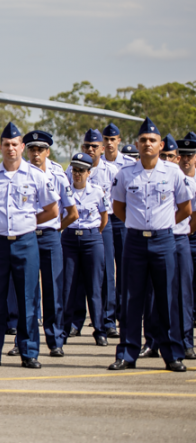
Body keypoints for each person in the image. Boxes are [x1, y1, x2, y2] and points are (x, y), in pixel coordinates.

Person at [0, 122, 58, 369]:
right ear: (1, 147)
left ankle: (29, 352)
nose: (11, 149)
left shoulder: (36, 176)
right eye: (6, 144)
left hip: (26, 242)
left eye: (15, 144)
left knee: (28, 298)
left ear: (22, 147)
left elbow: (52, 209)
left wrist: (29, 221)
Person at [109, 118, 192, 372]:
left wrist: (164, 224)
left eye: (152, 140)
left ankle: (172, 354)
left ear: (161, 145)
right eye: (143, 140)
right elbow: (118, 207)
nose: (147, 144)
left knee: (168, 299)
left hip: (164, 241)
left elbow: (186, 207)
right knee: (132, 299)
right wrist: (137, 225)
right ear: (137, 143)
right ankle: (127, 353)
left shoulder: (173, 172)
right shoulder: (125, 173)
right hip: (134, 241)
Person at [16, 130, 77, 358]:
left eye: (40, 149)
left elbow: (72, 212)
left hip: (50, 236)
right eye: (32, 149)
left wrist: (57, 228)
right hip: (28, 236)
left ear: (48, 151)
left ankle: (55, 340)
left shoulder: (58, 176)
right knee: (26, 292)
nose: (35, 154)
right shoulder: (20, 174)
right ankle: (23, 340)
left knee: (53, 291)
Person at [66, 128, 120, 340]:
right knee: (77, 276)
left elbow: (115, 202)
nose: (90, 149)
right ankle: (76, 322)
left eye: (94, 146)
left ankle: (107, 322)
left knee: (105, 274)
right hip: (78, 228)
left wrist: (96, 230)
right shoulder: (71, 170)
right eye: (87, 145)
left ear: (102, 148)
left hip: (102, 225)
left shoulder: (112, 171)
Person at [60, 152, 109, 348]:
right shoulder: (65, 190)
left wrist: (93, 234)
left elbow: (104, 217)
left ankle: (100, 330)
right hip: (70, 238)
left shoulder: (97, 192)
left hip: (91, 238)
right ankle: (64, 330)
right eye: (74, 170)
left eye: (81, 171)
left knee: (94, 287)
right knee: (68, 287)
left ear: (89, 172)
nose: (77, 174)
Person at [102, 122, 134, 333]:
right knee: (107, 271)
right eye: (106, 140)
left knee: (124, 268)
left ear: (119, 141)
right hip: (105, 220)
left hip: (122, 219)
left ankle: (124, 314)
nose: (109, 143)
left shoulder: (129, 164)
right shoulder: (96, 163)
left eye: (113, 140)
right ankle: (108, 318)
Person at [176, 136, 196, 359]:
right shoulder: (172, 178)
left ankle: (186, 340)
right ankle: (154, 341)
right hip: (176, 236)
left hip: (188, 236)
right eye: (182, 155)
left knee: (186, 294)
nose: (185, 159)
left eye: (190, 155)